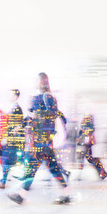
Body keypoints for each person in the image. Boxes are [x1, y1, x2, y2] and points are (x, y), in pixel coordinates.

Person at [7, 73, 71, 205]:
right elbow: (31, 116)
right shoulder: (39, 97)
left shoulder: (47, 97)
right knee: (53, 168)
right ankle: (67, 194)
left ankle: (21, 195)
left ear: (42, 81)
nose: (35, 82)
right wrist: (19, 126)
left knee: (33, 168)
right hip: (43, 141)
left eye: (37, 80)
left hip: (43, 140)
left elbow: (52, 114)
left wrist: (39, 115)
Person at [0, 89, 26, 188]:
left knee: (7, 158)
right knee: (7, 158)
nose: (10, 96)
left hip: (13, 139)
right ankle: (6, 179)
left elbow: (19, 125)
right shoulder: (13, 108)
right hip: (11, 138)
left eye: (11, 95)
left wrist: (9, 137)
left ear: (16, 96)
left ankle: (4, 181)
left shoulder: (17, 108)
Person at [76, 114, 107, 180]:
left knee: (88, 159)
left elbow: (88, 131)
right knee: (89, 159)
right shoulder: (85, 122)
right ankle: (103, 172)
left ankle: (103, 172)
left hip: (86, 144)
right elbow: (81, 133)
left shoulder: (88, 123)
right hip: (84, 144)